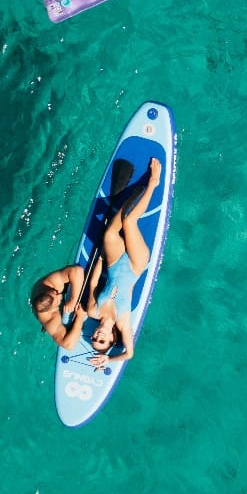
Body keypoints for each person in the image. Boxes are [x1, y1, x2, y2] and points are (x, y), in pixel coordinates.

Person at [61, 157, 163, 369]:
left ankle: (128, 203)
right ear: (112, 339)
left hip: (114, 263)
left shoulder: (93, 312)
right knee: (128, 222)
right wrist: (110, 359)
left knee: (109, 233)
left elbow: (93, 284)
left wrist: (100, 259)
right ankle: (153, 183)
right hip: (136, 264)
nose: (98, 336)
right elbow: (129, 354)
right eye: (102, 340)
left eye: (94, 338)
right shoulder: (123, 323)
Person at [29, 263, 87, 345]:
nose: (59, 294)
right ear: (53, 309)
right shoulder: (50, 320)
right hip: (53, 320)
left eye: (54, 292)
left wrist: (73, 300)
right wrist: (80, 317)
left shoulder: (49, 283)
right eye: (58, 300)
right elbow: (68, 345)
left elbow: (78, 270)